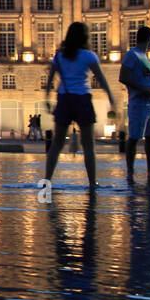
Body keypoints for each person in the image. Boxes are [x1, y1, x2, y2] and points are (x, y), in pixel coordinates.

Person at [44, 21, 116, 190]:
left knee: (57, 143)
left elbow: (50, 80)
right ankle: (92, 182)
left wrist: (47, 99)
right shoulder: (89, 56)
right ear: (85, 37)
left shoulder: (59, 56)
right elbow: (101, 78)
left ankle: (47, 179)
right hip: (82, 98)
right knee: (89, 144)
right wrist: (111, 97)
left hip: (64, 98)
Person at [120, 25, 150, 182]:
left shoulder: (144, 57)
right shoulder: (132, 55)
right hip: (139, 103)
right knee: (134, 137)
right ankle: (130, 171)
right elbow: (123, 77)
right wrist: (144, 90)